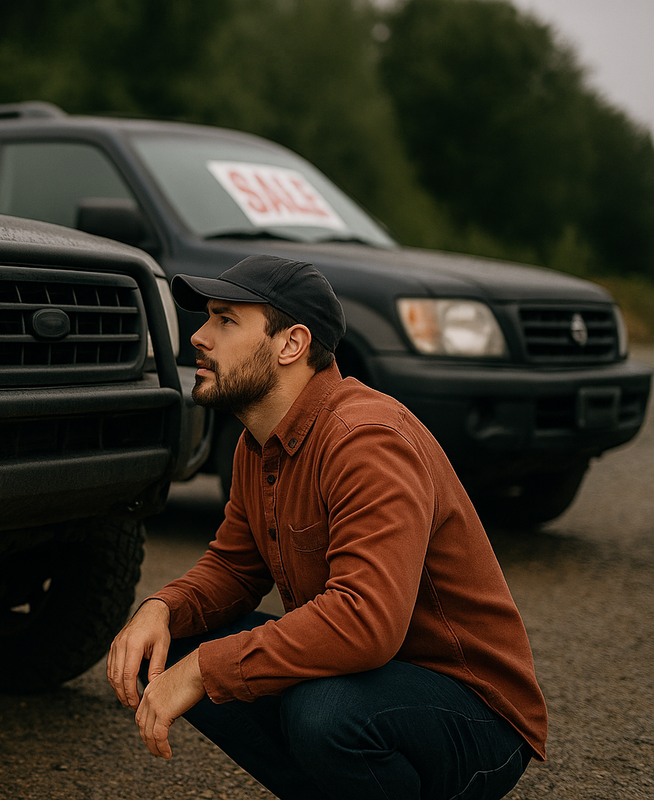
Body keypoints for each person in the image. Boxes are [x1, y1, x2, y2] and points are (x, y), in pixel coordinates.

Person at [107, 254, 547, 800]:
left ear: (291, 344)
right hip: (371, 681)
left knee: (326, 715)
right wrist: (162, 609)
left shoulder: (366, 440)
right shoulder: (257, 443)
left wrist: (204, 670)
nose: (199, 337)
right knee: (175, 641)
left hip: (474, 712)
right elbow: (234, 568)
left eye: (225, 320)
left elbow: (365, 622)